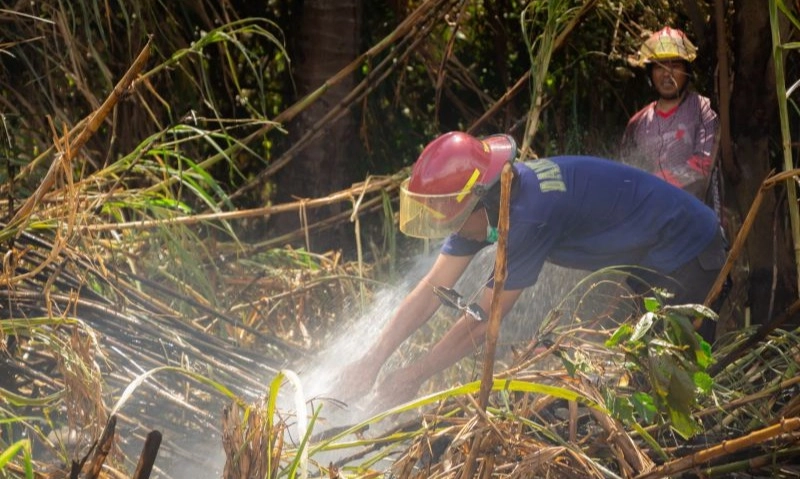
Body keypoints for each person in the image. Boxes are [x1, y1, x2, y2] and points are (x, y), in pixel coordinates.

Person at [337, 131, 726, 409]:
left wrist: (414, 375)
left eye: (453, 220)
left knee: (679, 389)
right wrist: (372, 360)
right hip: (649, 253)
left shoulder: (529, 216)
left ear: (478, 200)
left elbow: (481, 321)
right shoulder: (492, 199)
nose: (450, 231)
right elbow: (431, 287)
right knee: (648, 376)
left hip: (687, 249)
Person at [620, 26, 720, 205]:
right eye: (659, 67)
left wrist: (658, 183)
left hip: (694, 212)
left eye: (675, 65)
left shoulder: (702, 108)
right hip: (649, 215)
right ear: (650, 73)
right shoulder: (637, 123)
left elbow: (703, 164)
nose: (667, 73)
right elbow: (625, 173)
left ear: (687, 71)